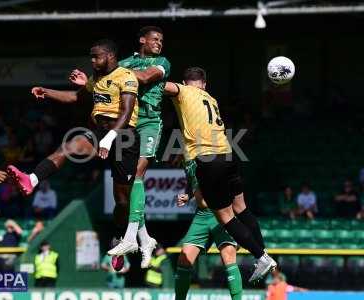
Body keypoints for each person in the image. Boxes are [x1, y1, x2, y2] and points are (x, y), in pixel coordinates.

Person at [6, 40, 140, 237]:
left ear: (110, 56)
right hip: (99, 133)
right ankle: (32, 180)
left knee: (121, 201)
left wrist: (109, 138)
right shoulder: (96, 79)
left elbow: (127, 112)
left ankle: (120, 235)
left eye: (97, 56)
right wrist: (47, 91)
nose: (93, 60)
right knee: (70, 146)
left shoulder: (127, 76)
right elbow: (75, 97)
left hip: (124, 138)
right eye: (91, 57)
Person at [70, 26, 171, 268]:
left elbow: (145, 78)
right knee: (124, 193)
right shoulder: (124, 63)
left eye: (161, 40)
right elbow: (104, 83)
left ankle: (130, 238)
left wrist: (108, 77)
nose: (159, 43)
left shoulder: (162, 61)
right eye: (155, 39)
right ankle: (139, 238)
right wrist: (92, 84)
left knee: (137, 175)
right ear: (142, 40)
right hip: (124, 124)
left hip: (148, 122)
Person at [164, 67, 276, 282]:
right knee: (241, 207)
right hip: (227, 155)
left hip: (208, 159)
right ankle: (263, 252)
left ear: (186, 83)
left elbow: (163, 86)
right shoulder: (211, 98)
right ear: (204, 84)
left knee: (225, 217)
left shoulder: (184, 91)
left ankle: (261, 256)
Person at [175, 158, 242, 300]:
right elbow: (192, 183)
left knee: (228, 258)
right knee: (183, 260)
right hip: (201, 215)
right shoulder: (187, 161)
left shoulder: (209, 153)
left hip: (222, 211)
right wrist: (188, 195)